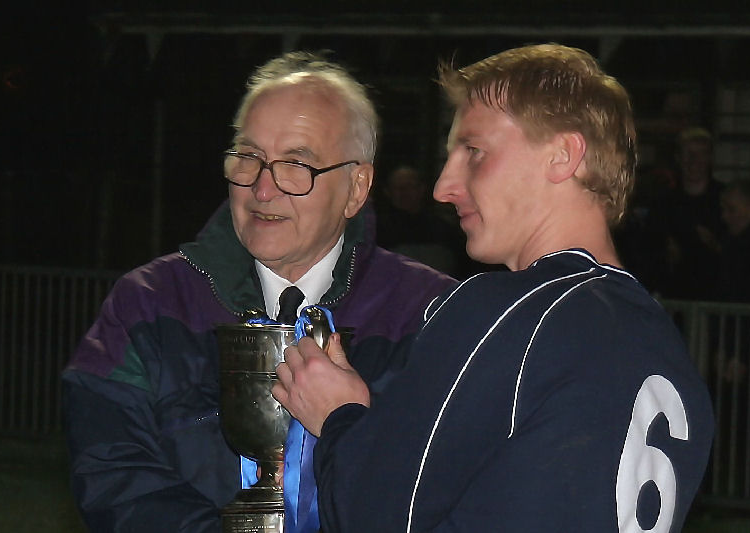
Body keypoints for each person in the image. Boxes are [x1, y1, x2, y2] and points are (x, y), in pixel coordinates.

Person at [273, 44, 715, 532]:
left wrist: (338, 417)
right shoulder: (667, 352)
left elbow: (371, 513)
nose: (443, 186)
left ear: (563, 156)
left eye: (474, 152)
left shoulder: (507, 314)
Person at [61, 51, 456, 532]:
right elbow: (110, 473)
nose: (262, 189)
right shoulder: (146, 302)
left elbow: (450, 493)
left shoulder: (432, 315)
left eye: (296, 164)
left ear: (357, 187)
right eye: (248, 158)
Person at [653, 127, 725, 300]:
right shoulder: (663, 203)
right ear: (678, 158)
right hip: (674, 297)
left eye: (701, 154)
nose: (694, 161)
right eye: (689, 154)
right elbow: (650, 250)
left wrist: (716, 245)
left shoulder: (725, 200)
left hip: (715, 299)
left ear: (710, 159)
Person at [375, 164, 467, 276]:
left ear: (421, 189)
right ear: (387, 192)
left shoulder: (443, 230)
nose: (404, 193)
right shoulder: (377, 231)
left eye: (410, 186)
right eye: (398, 188)